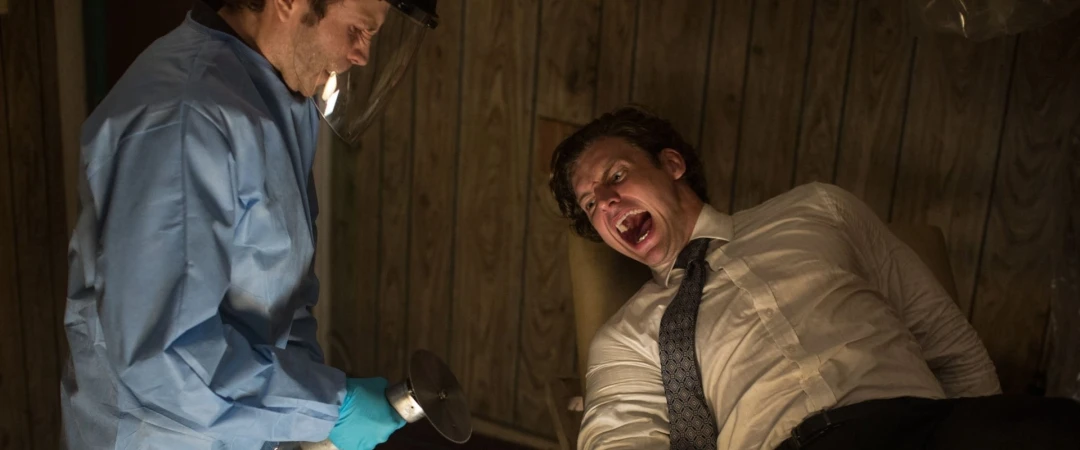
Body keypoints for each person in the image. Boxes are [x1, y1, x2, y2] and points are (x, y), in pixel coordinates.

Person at [547, 106, 1080, 450]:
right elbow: (621, 441)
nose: (607, 202)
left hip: (929, 425)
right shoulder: (625, 338)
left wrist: (986, 427)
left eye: (617, 176)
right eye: (592, 203)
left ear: (672, 164)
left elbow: (950, 345)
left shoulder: (818, 209)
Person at [60, 0, 438, 448]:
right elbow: (162, 359)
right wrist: (327, 409)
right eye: (358, 30)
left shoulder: (279, 96)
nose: (362, 55)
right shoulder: (186, 118)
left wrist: (306, 405)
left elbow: (284, 296)